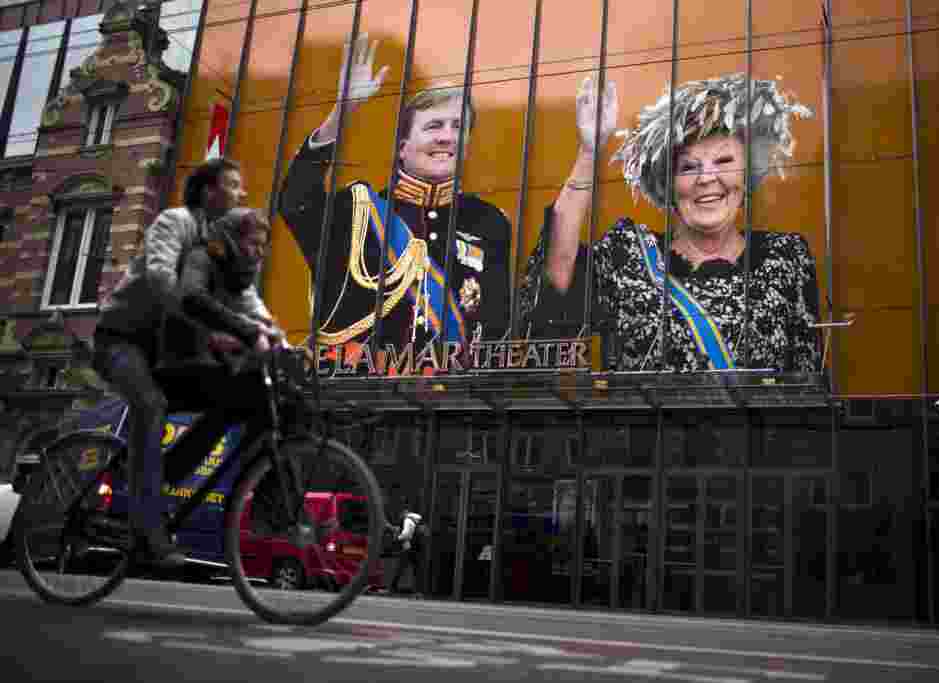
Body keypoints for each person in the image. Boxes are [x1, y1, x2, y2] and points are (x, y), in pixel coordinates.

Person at [519, 73, 822, 372]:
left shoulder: (786, 258)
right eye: (689, 167)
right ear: (668, 185)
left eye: (724, 162)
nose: (706, 179)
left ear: (747, 173)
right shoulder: (630, 256)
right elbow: (556, 278)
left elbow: (810, 380)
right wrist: (589, 152)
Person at [280, 34, 511, 371]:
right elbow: (295, 201)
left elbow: (496, 326)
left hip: (453, 401)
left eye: (458, 127)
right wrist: (342, 112)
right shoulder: (358, 210)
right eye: (434, 126)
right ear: (403, 147)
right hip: (357, 397)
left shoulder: (488, 222)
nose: (447, 136)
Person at [92, 159, 283, 566]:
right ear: (208, 191)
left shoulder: (216, 244)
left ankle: (169, 473)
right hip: (124, 341)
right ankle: (148, 531)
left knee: (227, 396)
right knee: (151, 406)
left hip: (166, 353)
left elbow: (246, 299)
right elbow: (163, 282)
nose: (241, 193)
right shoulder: (173, 222)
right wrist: (210, 331)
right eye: (233, 185)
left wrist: (277, 334)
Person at [389, 506, 423, 594]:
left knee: (401, 568)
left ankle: (393, 587)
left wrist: (397, 538)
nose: (400, 517)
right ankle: (417, 589)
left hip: (409, 548)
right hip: (415, 548)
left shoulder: (408, 520)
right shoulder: (414, 521)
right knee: (416, 569)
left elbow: (406, 534)